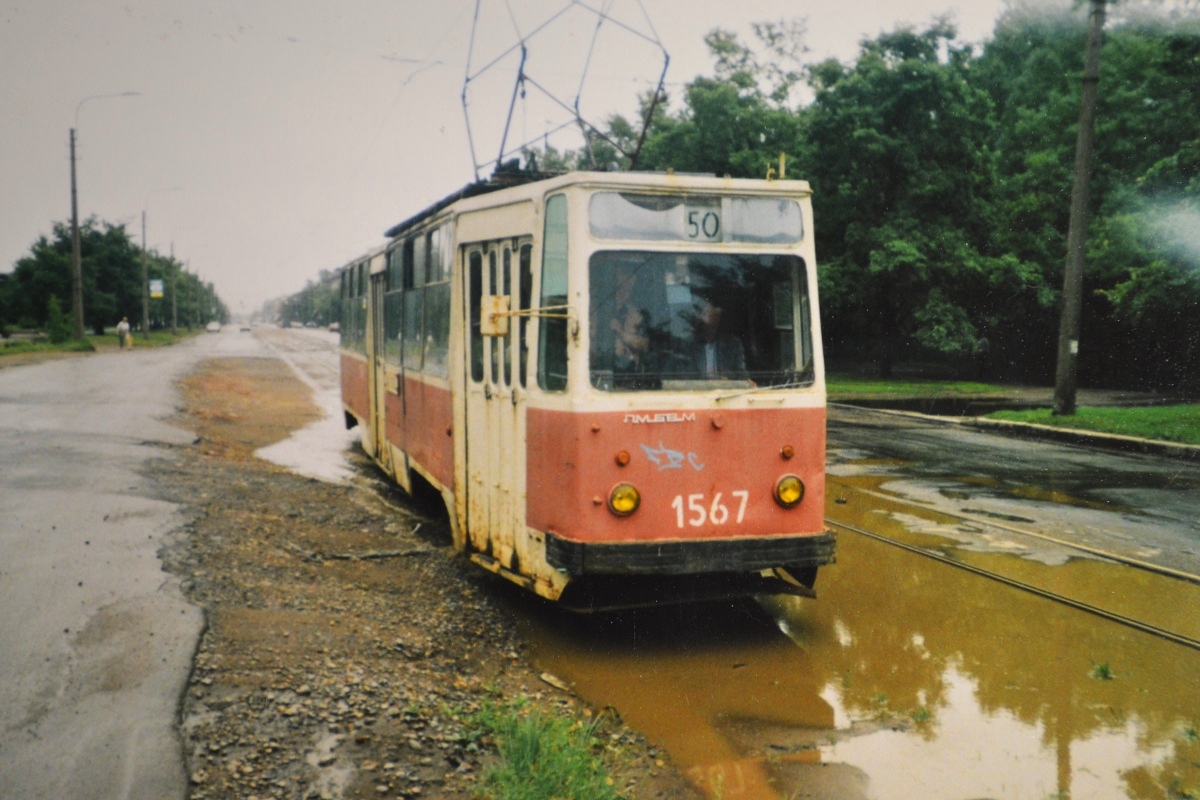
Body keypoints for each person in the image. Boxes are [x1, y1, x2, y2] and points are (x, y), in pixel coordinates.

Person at [690, 299, 748, 381]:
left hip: (727, 392)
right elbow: (686, 377)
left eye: (714, 316)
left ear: (718, 319)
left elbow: (742, 375)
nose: (710, 321)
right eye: (706, 315)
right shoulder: (691, 347)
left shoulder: (734, 345)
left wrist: (726, 375)